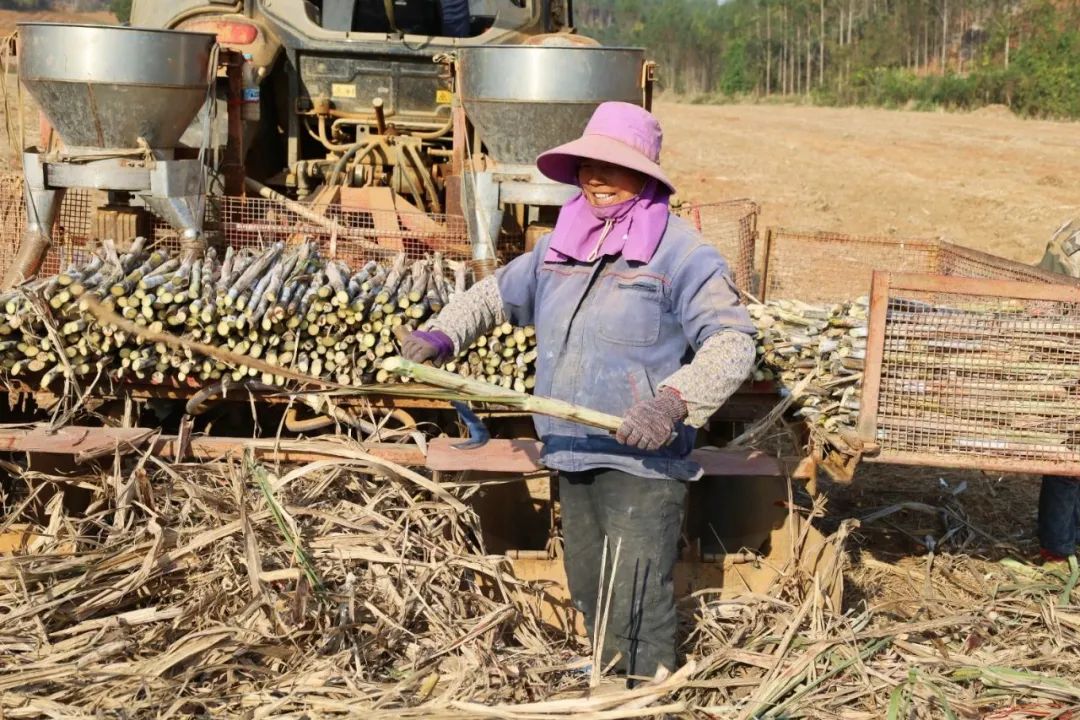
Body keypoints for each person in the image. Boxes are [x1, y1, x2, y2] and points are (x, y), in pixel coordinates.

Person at [401, 101, 757, 682]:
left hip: (641, 459)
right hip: (569, 450)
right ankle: (606, 685)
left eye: (611, 168)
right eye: (587, 165)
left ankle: (645, 695)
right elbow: (496, 295)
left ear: (644, 175)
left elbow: (732, 342)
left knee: (636, 596)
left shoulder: (683, 254)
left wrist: (672, 403)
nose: (595, 178)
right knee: (590, 588)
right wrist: (442, 333)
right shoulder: (560, 245)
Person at [1036, 220, 1080, 563]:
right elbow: (1042, 301)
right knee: (1068, 460)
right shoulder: (1071, 239)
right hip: (1069, 352)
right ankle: (1057, 550)